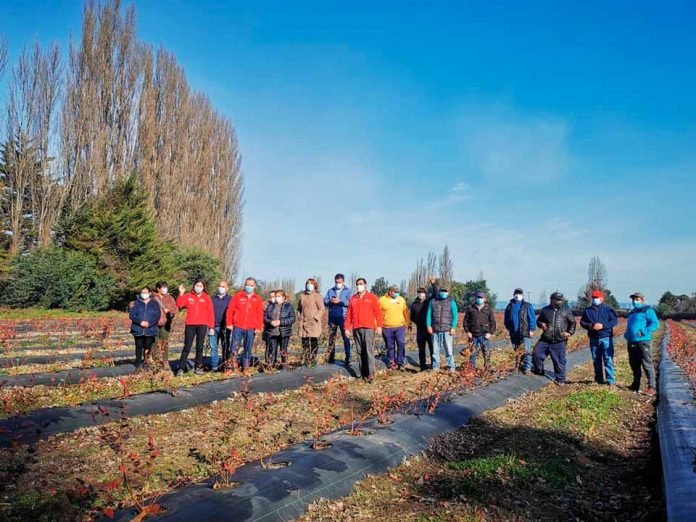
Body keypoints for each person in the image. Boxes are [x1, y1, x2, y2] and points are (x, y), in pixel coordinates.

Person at [345, 278, 384, 380]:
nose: (359, 286)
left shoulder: (372, 298)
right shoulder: (353, 299)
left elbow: (378, 312)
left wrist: (379, 326)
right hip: (356, 328)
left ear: (365, 285)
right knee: (359, 351)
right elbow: (348, 314)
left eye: (361, 284)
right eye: (357, 284)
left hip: (368, 327)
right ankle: (363, 373)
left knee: (368, 350)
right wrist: (346, 328)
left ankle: (371, 373)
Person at [534, 292, 576, 385]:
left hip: (559, 340)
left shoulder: (566, 311)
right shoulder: (545, 310)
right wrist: (541, 324)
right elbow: (539, 320)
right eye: (557, 299)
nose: (559, 301)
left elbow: (572, 322)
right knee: (537, 354)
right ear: (552, 299)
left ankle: (560, 379)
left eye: (560, 300)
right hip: (545, 338)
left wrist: (569, 332)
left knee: (559, 360)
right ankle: (539, 371)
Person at [176, 281, 215, 376]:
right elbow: (179, 305)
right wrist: (181, 293)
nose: (198, 287)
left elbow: (210, 312)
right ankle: (181, 368)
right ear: (194, 286)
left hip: (202, 325)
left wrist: (211, 327)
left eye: (200, 286)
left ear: (203, 287)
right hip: (190, 324)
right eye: (197, 285)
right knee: (187, 346)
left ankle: (198, 367)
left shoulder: (207, 298)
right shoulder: (188, 296)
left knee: (200, 347)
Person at [580, 290, 619, 385]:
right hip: (593, 339)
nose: (594, 299)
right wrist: (590, 326)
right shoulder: (588, 311)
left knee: (608, 359)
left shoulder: (608, 309)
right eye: (593, 298)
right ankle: (599, 379)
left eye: (596, 298)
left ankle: (610, 380)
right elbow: (582, 322)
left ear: (602, 299)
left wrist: (603, 326)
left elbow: (614, 321)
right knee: (596, 360)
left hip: (606, 338)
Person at [225, 277, 264, 371]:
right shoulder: (238, 296)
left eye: (251, 285)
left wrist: (259, 327)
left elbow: (260, 314)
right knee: (234, 347)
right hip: (238, 326)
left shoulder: (258, 299)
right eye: (247, 285)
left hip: (251, 328)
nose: (249, 287)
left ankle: (245, 367)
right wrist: (229, 323)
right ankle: (230, 367)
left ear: (254, 286)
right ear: (244, 285)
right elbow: (230, 310)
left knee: (248, 348)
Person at [624, 292, 659, 394]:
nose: (635, 301)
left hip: (643, 341)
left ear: (642, 300)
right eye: (633, 300)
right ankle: (636, 384)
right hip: (631, 341)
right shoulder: (632, 312)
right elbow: (630, 325)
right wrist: (627, 334)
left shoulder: (648, 311)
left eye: (637, 299)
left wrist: (644, 331)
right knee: (634, 364)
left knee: (646, 363)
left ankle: (651, 386)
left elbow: (655, 324)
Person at [426, 284, 458, 373]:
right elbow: (429, 315)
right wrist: (428, 325)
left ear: (448, 292)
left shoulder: (451, 302)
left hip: (447, 330)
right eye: (442, 291)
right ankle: (436, 367)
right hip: (435, 329)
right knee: (435, 350)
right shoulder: (433, 301)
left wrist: (453, 327)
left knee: (448, 350)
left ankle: (451, 367)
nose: (444, 293)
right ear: (439, 291)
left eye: (445, 291)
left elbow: (455, 316)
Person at [129, 286, 162, 370]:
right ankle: (138, 362)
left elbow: (157, 315)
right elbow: (132, 315)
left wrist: (149, 323)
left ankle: (146, 361)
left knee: (148, 345)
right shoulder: (136, 303)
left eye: (145, 292)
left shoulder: (155, 303)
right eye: (142, 292)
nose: (143, 294)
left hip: (150, 329)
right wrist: (140, 322)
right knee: (138, 345)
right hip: (138, 328)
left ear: (150, 293)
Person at [504, 288, 536, 374]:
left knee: (527, 350)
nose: (517, 295)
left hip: (525, 331)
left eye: (519, 293)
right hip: (514, 332)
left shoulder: (527, 306)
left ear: (522, 295)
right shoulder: (510, 306)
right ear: (513, 294)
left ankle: (527, 367)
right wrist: (508, 327)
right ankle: (518, 366)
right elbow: (506, 318)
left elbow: (532, 318)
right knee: (517, 350)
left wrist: (532, 329)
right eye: (516, 293)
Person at [463, 291, 497, 371]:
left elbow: (493, 322)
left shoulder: (488, 309)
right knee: (473, 353)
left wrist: (490, 332)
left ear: (484, 299)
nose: (479, 299)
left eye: (481, 297)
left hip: (484, 335)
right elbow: (465, 321)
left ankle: (487, 368)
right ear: (476, 298)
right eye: (478, 297)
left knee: (486, 352)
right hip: (473, 335)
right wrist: (467, 331)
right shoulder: (470, 308)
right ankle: (471, 369)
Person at [378, 285, 410, 370]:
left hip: (400, 327)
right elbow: (377, 314)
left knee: (401, 344)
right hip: (387, 327)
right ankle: (391, 361)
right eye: (394, 291)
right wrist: (377, 326)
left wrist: (408, 322)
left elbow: (405, 311)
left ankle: (401, 362)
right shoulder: (382, 300)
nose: (396, 293)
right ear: (390, 291)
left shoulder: (401, 299)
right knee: (390, 346)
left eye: (397, 292)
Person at [263, 289, 296, 368]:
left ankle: (284, 366)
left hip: (284, 332)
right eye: (276, 296)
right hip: (272, 331)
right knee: (272, 350)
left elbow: (292, 319)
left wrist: (280, 322)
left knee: (283, 350)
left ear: (283, 297)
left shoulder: (289, 306)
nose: (277, 298)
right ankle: (270, 366)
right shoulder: (270, 306)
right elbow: (265, 318)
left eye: (279, 296)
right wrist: (270, 322)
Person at [324, 274, 352, 364]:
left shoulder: (348, 291)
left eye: (339, 282)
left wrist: (340, 301)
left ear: (343, 282)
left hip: (343, 317)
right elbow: (325, 301)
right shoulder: (330, 291)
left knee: (346, 338)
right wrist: (330, 301)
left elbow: (350, 302)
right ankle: (331, 358)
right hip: (332, 317)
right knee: (331, 338)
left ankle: (348, 357)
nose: (338, 284)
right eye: (336, 282)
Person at [297, 278, 325, 366]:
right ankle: (306, 359)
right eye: (308, 283)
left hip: (313, 322)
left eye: (311, 284)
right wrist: (299, 317)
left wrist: (316, 317)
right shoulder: (302, 296)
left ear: (314, 285)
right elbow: (299, 308)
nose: (309, 285)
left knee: (313, 341)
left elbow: (322, 308)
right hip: (304, 322)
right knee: (304, 342)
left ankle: (312, 359)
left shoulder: (317, 295)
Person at [409, 283, 436, 371]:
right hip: (420, 330)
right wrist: (417, 322)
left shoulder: (429, 301)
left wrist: (433, 284)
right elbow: (412, 317)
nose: (421, 294)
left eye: (422, 292)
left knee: (432, 348)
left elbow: (436, 293)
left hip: (430, 329)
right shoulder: (414, 304)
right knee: (421, 349)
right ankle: (423, 367)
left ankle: (434, 365)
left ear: (425, 294)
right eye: (419, 293)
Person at [153, 281, 179, 370]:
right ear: (158, 289)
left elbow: (175, 309)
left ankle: (165, 360)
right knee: (154, 343)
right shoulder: (152, 298)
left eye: (166, 287)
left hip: (166, 323)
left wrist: (169, 310)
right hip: (154, 324)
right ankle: (155, 361)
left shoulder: (170, 298)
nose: (165, 289)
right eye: (163, 287)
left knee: (165, 343)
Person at [209, 280, 232, 371]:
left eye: (223, 286)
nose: (221, 288)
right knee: (213, 347)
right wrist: (210, 326)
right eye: (219, 286)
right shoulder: (212, 298)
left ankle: (225, 364)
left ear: (227, 288)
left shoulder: (230, 299)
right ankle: (214, 366)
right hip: (213, 327)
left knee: (225, 346)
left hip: (225, 327)